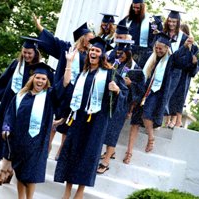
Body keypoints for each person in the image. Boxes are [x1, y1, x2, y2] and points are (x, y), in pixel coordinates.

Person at [54, 37, 128, 199]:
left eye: (97, 51)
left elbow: (122, 97)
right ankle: (67, 192)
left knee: (88, 156)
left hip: (97, 122)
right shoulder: (83, 73)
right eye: (91, 50)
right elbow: (69, 92)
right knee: (72, 152)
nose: (93, 53)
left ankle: (79, 193)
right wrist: (68, 63)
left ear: (102, 55)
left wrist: (116, 91)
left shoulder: (110, 73)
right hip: (79, 119)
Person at [1, 61, 71, 199]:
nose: (40, 81)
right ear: (32, 78)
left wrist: (69, 62)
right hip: (19, 140)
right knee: (20, 171)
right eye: (38, 77)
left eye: (43, 79)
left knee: (31, 174)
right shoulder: (21, 95)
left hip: (37, 141)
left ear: (47, 81)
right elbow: (10, 115)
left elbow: (64, 84)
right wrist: (6, 128)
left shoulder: (49, 95)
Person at [122, 32, 193, 163]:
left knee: (147, 115)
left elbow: (179, 57)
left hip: (156, 93)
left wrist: (185, 46)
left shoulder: (170, 60)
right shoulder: (150, 57)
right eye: (157, 48)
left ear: (167, 48)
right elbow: (140, 73)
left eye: (161, 48)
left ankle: (151, 138)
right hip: (143, 91)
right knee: (135, 123)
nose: (158, 50)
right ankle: (129, 152)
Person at [33, 14, 95, 156]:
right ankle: (46, 147)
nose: (92, 42)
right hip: (61, 89)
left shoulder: (90, 55)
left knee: (69, 121)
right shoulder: (67, 49)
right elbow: (52, 41)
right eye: (90, 39)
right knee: (55, 119)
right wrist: (40, 27)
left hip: (76, 92)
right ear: (83, 38)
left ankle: (62, 150)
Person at [0, 36, 44, 185]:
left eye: (29, 53)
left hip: (26, 107)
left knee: (17, 137)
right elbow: (4, 80)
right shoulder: (16, 64)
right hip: (9, 103)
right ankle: (3, 169)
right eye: (24, 52)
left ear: (35, 52)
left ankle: (10, 170)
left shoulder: (38, 69)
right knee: (5, 134)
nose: (26, 55)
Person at [97, 39, 143, 174]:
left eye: (123, 53)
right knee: (107, 129)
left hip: (123, 104)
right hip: (109, 102)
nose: (120, 55)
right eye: (118, 53)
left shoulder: (135, 69)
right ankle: (110, 153)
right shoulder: (112, 64)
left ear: (129, 53)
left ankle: (106, 162)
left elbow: (140, 90)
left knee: (113, 131)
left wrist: (131, 85)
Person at [167, 23, 199, 128]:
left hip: (184, 77)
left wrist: (194, 63)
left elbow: (197, 65)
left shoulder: (194, 48)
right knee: (169, 95)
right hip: (173, 74)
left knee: (179, 98)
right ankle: (168, 120)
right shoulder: (175, 44)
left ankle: (175, 121)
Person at [160, 8, 190, 129]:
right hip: (161, 68)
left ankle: (160, 121)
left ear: (178, 22)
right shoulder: (162, 33)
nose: (171, 24)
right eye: (170, 21)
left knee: (167, 95)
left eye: (174, 22)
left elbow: (185, 58)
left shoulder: (184, 38)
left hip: (175, 72)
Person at [118, 0, 163, 68]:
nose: (135, 10)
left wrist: (150, 50)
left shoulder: (151, 19)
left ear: (142, 7)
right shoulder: (127, 19)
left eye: (138, 8)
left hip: (143, 53)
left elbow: (157, 34)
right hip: (128, 51)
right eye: (133, 7)